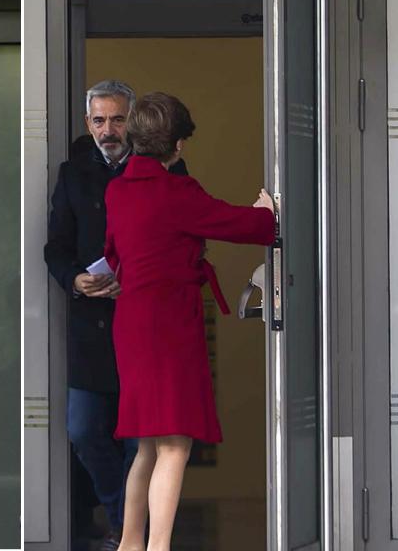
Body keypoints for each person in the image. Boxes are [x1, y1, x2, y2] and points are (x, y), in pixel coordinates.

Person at [103, 93, 275, 551]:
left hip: (132, 321)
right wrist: (267, 212)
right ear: (177, 145)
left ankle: (130, 545)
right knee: (175, 446)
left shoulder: (117, 190)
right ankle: (158, 547)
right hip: (170, 324)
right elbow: (243, 225)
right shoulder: (179, 192)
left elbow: (113, 255)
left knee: (146, 445)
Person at [44, 80, 189, 550]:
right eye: (99, 120)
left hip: (145, 324)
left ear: (134, 122)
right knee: (84, 430)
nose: (109, 130)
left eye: (118, 119)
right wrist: (74, 279)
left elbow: (185, 240)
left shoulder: (168, 168)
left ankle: (136, 535)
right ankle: (118, 516)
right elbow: (56, 247)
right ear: (88, 123)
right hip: (90, 325)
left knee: (141, 440)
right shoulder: (72, 173)